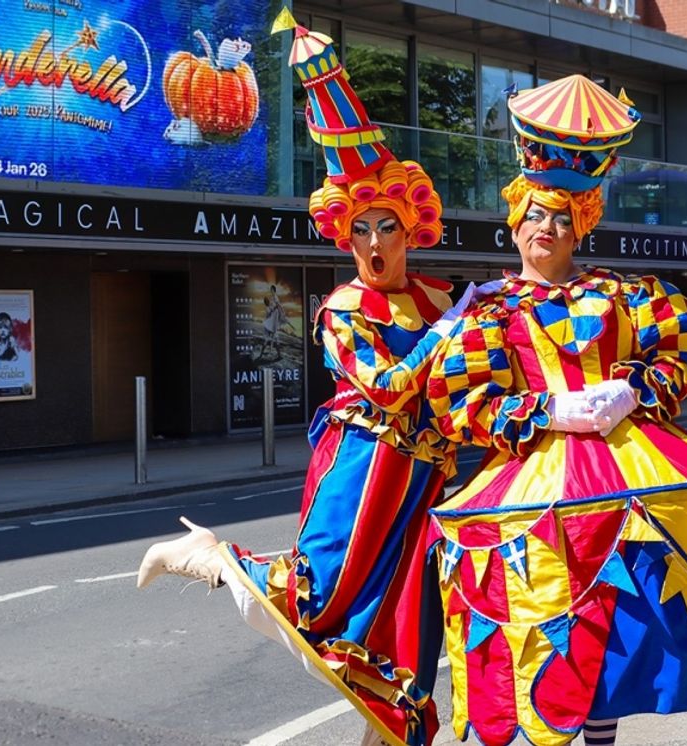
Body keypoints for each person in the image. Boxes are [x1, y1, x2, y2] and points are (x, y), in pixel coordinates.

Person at [135, 12, 466, 746]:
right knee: (319, 597)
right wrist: (449, 338)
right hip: (365, 466)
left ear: (411, 229)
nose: (373, 242)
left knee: (410, 627)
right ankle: (207, 557)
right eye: (361, 230)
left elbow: (469, 387)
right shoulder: (343, 310)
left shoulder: (439, 299)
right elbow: (387, 386)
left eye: (386, 226)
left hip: (425, 480)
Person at [424, 75, 687, 746]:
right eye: (537, 214)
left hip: (627, 471)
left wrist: (633, 391)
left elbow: (683, 348)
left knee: (616, 630)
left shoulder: (626, 293)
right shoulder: (487, 311)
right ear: (515, 221)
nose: (548, 229)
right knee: (552, 628)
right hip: (539, 482)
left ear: (582, 226)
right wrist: (550, 409)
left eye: (564, 218)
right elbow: (464, 403)